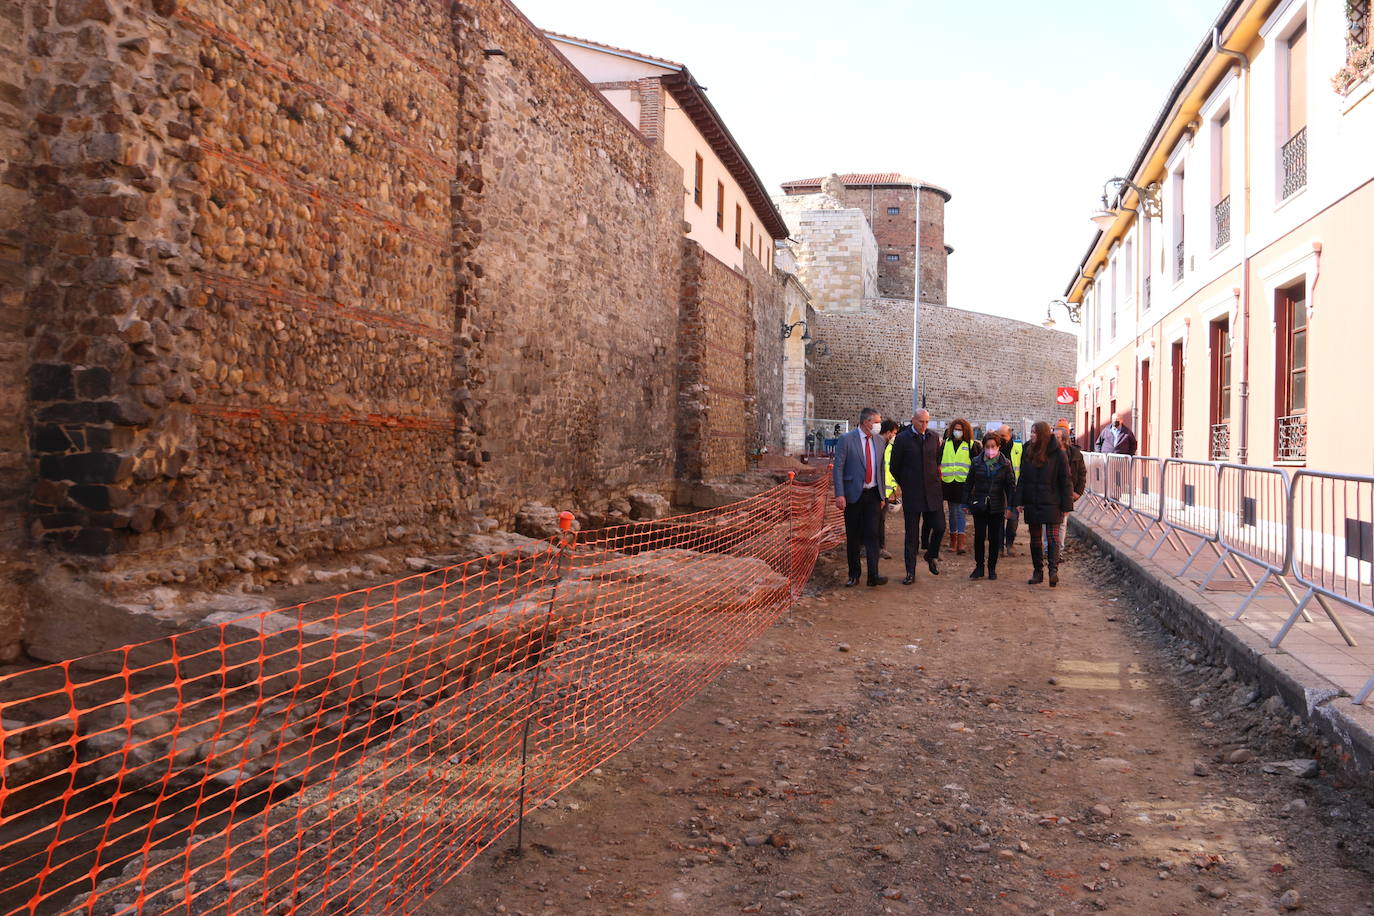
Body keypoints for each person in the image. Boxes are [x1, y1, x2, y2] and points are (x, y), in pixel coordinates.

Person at [832, 408, 888, 587]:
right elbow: (838, 468)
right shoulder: (847, 440)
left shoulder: (879, 441)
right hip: (852, 495)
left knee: (873, 535)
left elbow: (881, 468)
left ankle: (874, 575)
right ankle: (854, 575)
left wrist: (883, 494)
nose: (879, 425)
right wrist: (840, 494)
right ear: (866, 422)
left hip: (873, 494)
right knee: (854, 536)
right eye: (877, 422)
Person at [1016, 421, 1074, 587]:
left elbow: (1066, 480)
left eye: (1035, 432)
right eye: (1031, 432)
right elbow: (1023, 479)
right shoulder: (1028, 452)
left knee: (1052, 537)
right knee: (1035, 539)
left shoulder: (1058, 454)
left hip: (1052, 501)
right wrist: (1019, 500)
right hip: (1032, 501)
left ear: (1042, 434)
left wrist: (1066, 505)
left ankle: (1053, 571)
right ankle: (1038, 571)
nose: (1032, 435)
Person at [889, 408, 945, 582]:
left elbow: (936, 461)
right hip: (913, 493)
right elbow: (894, 466)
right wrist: (906, 482)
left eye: (927, 422)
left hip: (933, 491)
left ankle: (931, 554)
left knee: (940, 527)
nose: (924, 425)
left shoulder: (933, 437)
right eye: (921, 421)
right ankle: (910, 572)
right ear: (913, 420)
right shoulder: (902, 439)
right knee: (911, 535)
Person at [964, 432, 1015, 580]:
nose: (990, 450)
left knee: (994, 538)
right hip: (979, 504)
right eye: (987, 447)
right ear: (984, 447)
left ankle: (992, 568)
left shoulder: (1005, 464)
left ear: (998, 447)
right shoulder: (976, 462)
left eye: (993, 446)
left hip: (997, 506)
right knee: (979, 537)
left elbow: (1010, 486)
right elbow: (969, 483)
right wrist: (965, 502)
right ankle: (979, 567)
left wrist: (1010, 506)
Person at [941, 418, 979, 556]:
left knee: (961, 511)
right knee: (952, 512)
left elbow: (976, 465)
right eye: (956, 429)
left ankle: (961, 542)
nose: (958, 432)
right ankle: (953, 540)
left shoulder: (971, 445)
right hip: (949, 483)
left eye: (960, 429)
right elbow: (939, 462)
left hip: (964, 484)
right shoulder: (945, 444)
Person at [1056, 421, 1087, 552]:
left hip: (1067, 492)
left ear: (1063, 440)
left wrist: (1078, 492)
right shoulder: (1047, 454)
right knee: (1049, 522)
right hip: (1051, 492)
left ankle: (1059, 550)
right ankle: (1048, 549)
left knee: (1062, 522)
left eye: (1056, 437)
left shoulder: (1075, 454)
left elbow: (1082, 474)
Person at [995, 425, 1024, 557]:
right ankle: (999, 546)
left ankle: (1010, 544)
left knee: (1013, 519)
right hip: (998, 490)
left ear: (1010, 435)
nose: (1001, 439)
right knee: (998, 520)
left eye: (1003, 437)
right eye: (999, 436)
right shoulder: (994, 449)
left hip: (1014, 489)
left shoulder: (1019, 448)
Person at [878, 419, 900, 559]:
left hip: (884, 490)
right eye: (894, 433)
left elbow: (890, 470)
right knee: (877, 520)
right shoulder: (880, 446)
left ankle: (878, 547)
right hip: (877, 490)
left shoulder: (889, 447)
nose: (895, 435)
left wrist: (893, 488)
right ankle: (878, 548)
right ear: (888, 432)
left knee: (880, 520)